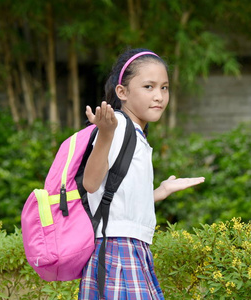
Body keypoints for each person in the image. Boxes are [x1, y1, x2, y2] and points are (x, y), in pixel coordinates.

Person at [78, 48, 205, 300]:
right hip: (118, 249)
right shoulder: (117, 125)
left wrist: (159, 192)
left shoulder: (135, 133)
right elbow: (91, 184)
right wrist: (104, 134)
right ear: (122, 92)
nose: (158, 96)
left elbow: (114, 195)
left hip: (129, 246)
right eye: (148, 87)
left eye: (164, 88)